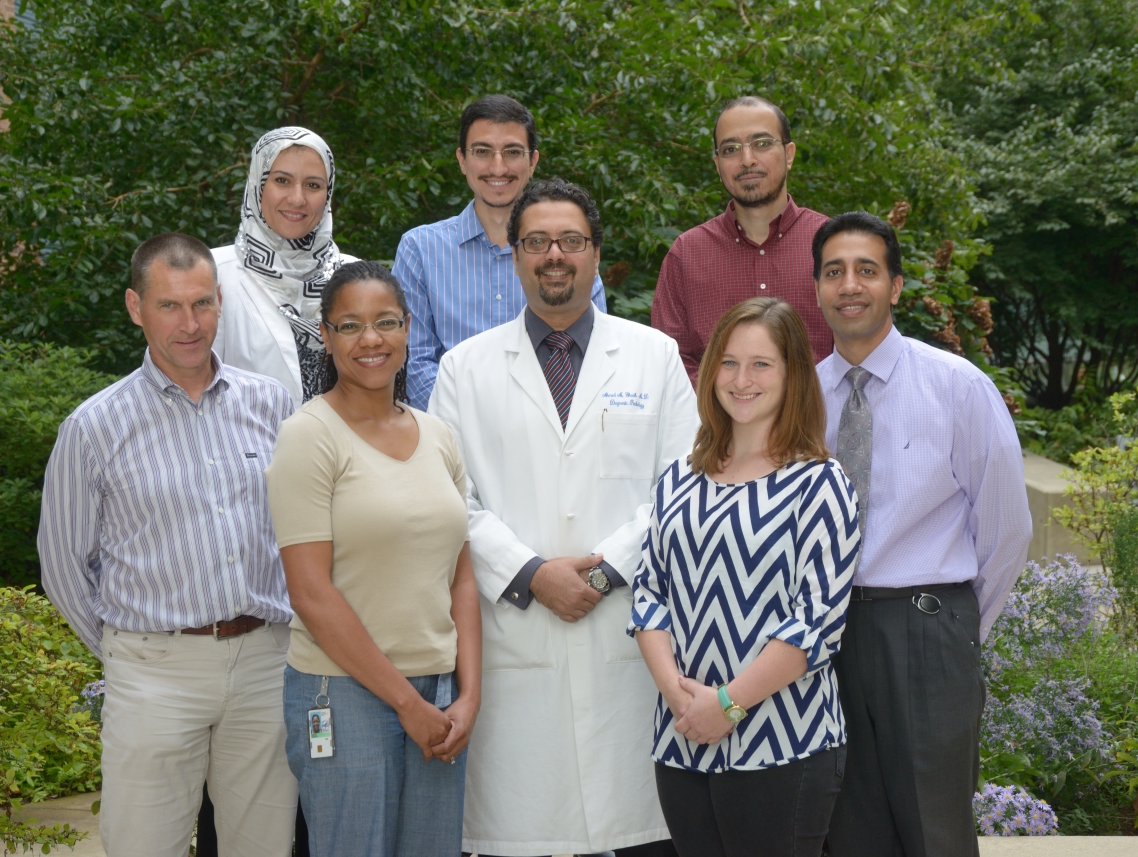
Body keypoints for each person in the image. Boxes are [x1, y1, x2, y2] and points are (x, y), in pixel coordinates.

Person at [428, 179, 699, 857]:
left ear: (596, 254)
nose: (555, 255)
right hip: (517, 638)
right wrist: (529, 573)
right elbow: (446, 499)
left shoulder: (653, 356)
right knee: (524, 831)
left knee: (642, 831)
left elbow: (686, 480)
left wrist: (606, 571)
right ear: (515, 256)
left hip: (627, 642)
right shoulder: (465, 369)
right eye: (537, 241)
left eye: (571, 241)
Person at [38, 233, 297, 857]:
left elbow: (305, 533)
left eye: (203, 304)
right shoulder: (94, 426)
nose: (190, 324)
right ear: (135, 308)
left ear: (219, 304)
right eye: (169, 306)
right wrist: (127, 654)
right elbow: (63, 564)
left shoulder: (273, 405)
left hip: (266, 664)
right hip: (154, 670)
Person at [812, 212, 1032, 856]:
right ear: (818, 287)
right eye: (834, 272)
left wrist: (953, 632)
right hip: (824, 638)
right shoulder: (800, 394)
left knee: (934, 831)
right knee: (845, 829)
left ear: (897, 286)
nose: (849, 285)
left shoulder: (957, 386)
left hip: (927, 626)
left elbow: (1007, 532)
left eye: (867, 270)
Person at [264, 260, 482, 856]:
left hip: (439, 693)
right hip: (343, 693)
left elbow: (461, 574)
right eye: (351, 325)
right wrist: (406, 703)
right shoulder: (309, 436)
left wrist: (469, 694)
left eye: (386, 322)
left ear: (409, 329)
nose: (371, 340)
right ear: (327, 337)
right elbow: (310, 592)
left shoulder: (439, 435)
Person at [630, 298, 859, 857]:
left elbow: (816, 626)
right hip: (683, 740)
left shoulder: (821, 484)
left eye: (762, 364)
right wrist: (682, 700)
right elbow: (648, 596)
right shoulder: (678, 477)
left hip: (785, 743)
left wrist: (727, 704)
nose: (742, 379)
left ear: (792, 375)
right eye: (728, 362)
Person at [394, 94, 607, 410]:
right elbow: (413, 360)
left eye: (512, 152)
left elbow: (591, 352)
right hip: (453, 441)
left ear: (532, 161)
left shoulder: (567, 253)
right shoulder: (420, 250)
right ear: (462, 160)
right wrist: (474, 427)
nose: (498, 167)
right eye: (482, 151)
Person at [652, 96, 832, 383]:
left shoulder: (832, 244)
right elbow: (670, 362)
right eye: (731, 149)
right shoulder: (686, 255)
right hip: (716, 426)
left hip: (820, 426)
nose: (747, 160)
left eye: (762, 144)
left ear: (789, 154)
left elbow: (859, 347)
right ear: (717, 163)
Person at [212, 125, 359, 409]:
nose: (297, 198)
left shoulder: (355, 277)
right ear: (257, 184)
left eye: (313, 185)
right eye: (282, 180)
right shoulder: (213, 273)